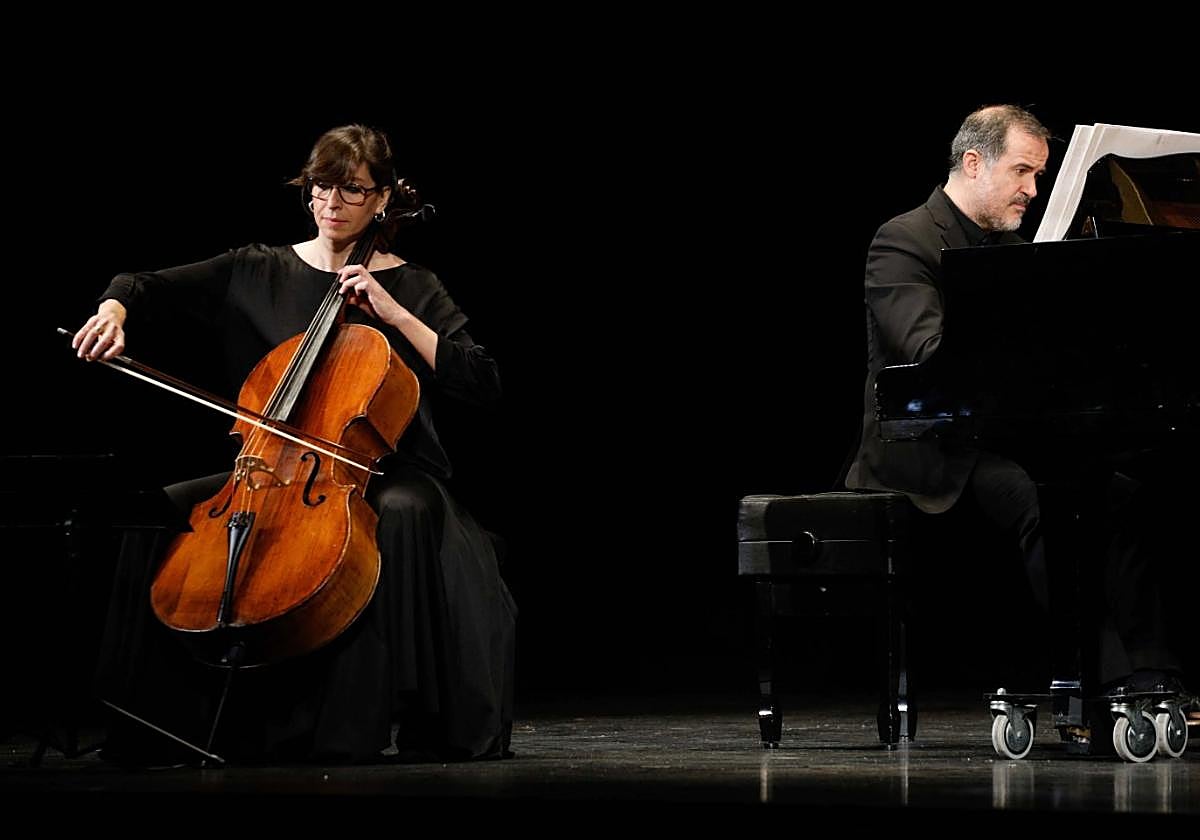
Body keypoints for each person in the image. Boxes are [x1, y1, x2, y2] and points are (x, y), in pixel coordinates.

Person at [73, 123, 517, 764]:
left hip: (379, 467)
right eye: (320, 189)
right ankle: (154, 722)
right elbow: (141, 283)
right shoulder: (258, 267)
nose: (332, 205)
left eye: (352, 192)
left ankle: (357, 720)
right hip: (267, 470)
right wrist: (112, 311)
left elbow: (482, 380)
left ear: (384, 199)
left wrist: (392, 313)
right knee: (158, 511)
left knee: (402, 511)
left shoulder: (413, 284)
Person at [844, 104, 1183, 694]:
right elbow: (928, 354)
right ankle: (1103, 684)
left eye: (1039, 176)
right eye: (1023, 172)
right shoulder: (902, 240)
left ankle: (1159, 678)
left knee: (1121, 493)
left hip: (1005, 439)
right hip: (931, 451)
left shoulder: (1015, 243)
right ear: (974, 164)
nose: (1032, 190)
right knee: (1039, 502)